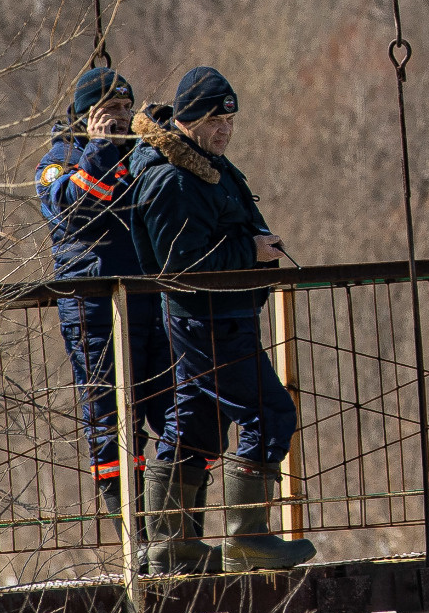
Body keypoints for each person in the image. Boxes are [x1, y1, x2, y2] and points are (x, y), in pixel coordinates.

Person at [126, 66, 314, 575]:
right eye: (213, 119)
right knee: (268, 414)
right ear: (188, 120)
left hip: (222, 316)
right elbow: (181, 263)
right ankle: (247, 538)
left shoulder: (209, 166)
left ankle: (171, 546)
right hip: (207, 320)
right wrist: (249, 249)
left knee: (194, 426)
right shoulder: (171, 178)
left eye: (229, 119)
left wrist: (255, 244)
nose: (224, 129)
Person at [35, 65, 171, 534]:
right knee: (110, 425)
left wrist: (164, 140)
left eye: (125, 109)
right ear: (84, 115)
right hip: (93, 313)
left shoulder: (137, 155)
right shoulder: (61, 160)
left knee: (179, 410)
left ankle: (176, 532)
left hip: (150, 305)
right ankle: (138, 541)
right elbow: (70, 207)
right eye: (108, 110)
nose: (118, 119)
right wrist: (98, 149)